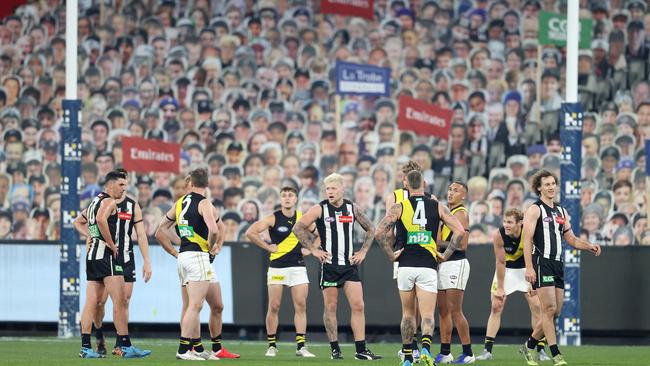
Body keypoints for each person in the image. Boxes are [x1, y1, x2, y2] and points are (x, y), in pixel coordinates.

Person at [375, 170, 466, 366]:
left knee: (407, 314)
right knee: (427, 315)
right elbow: (459, 231)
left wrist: (391, 254)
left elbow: (379, 232)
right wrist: (446, 254)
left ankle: (408, 357)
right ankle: (425, 349)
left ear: (406, 184)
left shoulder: (399, 206)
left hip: (406, 265)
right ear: (424, 184)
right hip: (428, 265)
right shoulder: (437, 206)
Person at [292, 173, 381, 360]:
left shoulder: (352, 208)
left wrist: (363, 252)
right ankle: (335, 349)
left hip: (349, 265)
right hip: (329, 266)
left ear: (342, 189)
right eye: (327, 189)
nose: (329, 192)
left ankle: (361, 350)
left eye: (333, 188)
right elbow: (298, 227)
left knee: (358, 305)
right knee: (331, 307)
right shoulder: (319, 209)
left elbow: (371, 228)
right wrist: (313, 250)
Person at [520, 170, 601, 366]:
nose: (550, 187)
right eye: (546, 184)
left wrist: (589, 245)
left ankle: (527, 346)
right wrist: (529, 267)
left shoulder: (561, 211)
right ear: (539, 187)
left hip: (557, 263)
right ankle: (556, 355)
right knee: (548, 309)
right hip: (542, 262)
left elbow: (571, 238)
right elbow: (527, 239)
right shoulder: (534, 209)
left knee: (555, 312)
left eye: (553, 183)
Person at [158, 174, 240, 360]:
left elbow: (161, 229)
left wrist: (180, 246)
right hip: (198, 257)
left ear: (191, 183)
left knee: (216, 305)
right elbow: (214, 229)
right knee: (194, 305)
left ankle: (211, 349)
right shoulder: (204, 204)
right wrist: (211, 248)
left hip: (187, 257)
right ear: (206, 184)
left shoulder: (180, 203)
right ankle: (184, 349)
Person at [75, 169, 153, 356]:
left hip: (99, 256)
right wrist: (110, 243)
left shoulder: (96, 202)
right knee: (115, 301)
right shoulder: (108, 202)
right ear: (110, 184)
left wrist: (91, 236)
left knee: (95, 302)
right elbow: (101, 219)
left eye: (125, 184)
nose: (124, 188)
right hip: (109, 256)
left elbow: (78, 221)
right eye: (121, 184)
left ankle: (87, 347)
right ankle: (123, 345)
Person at [245, 186, 317, 358]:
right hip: (277, 267)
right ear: (280, 198)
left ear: (296, 199)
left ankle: (301, 346)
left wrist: (312, 249)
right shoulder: (273, 218)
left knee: (300, 305)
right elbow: (250, 232)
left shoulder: (303, 218)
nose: (287, 198)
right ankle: (272, 345)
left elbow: (320, 234)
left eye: (290, 195)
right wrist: (267, 246)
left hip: (298, 266)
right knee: (274, 306)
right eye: (283, 195)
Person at [475, 208, 549, 361]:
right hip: (507, 270)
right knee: (496, 306)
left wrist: (533, 283)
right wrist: (501, 287)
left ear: (520, 223)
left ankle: (540, 350)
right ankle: (487, 351)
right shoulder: (499, 235)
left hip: (526, 269)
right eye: (505, 221)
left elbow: (536, 258)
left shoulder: (530, 233)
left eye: (510, 222)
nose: (506, 225)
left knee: (536, 306)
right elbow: (501, 262)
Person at [385, 160, 430, 362]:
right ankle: (412, 346)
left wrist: (390, 250)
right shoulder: (397, 196)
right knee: (413, 306)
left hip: (407, 254)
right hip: (413, 253)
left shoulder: (399, 197)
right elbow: (390, 229)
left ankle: (412, 348)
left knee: (414, 306)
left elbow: (386, 230)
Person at [435, 181, 474, 364]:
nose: (451, 193)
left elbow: (462, 244)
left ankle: (468, 353)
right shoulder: (447, 213)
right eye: (450, 189)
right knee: (443, 311)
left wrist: (435, 242)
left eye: (456, 190)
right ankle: (445, 352)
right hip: (443, 264)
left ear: (463, 196)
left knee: (455, 310)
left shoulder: (460, 213)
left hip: (455, 264)